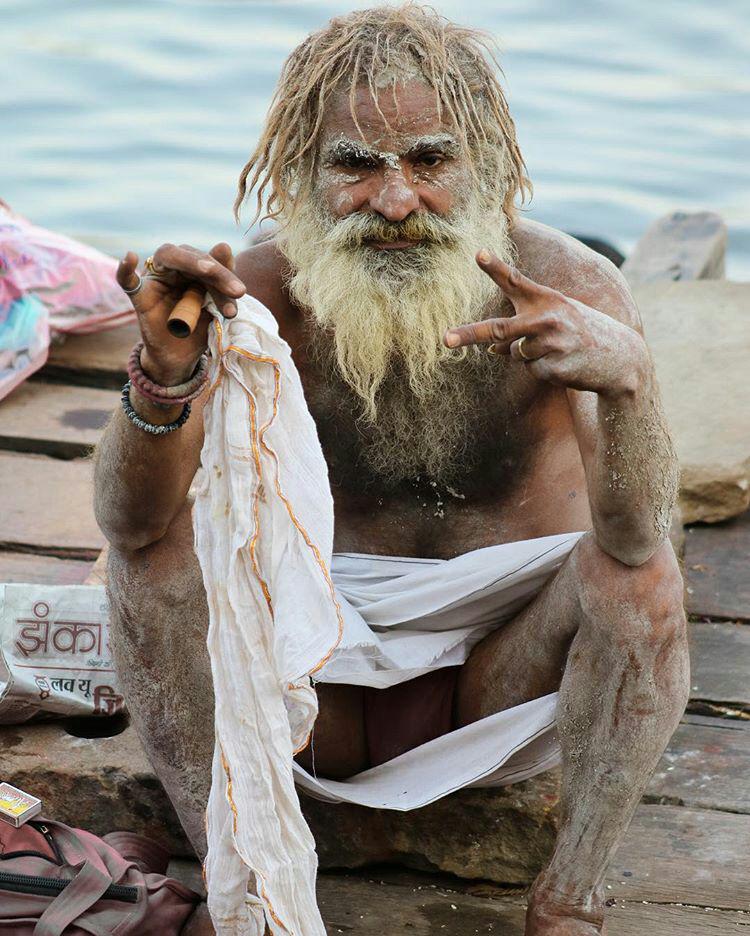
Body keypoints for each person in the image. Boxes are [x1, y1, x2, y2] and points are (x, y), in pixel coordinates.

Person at [93, 5, 689, 934]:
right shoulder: (255, 298)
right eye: (356, 165)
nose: (397, 200)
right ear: (301, 173)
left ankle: (570, 903)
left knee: (643, 579)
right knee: (150, 565)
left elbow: (640, 538)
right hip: (310, 684)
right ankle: (235, 879)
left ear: (485, 161)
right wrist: (162, 377)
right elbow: (130, 528)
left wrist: (630, 383)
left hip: (506, 681)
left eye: (430, 160)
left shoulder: (570, 290)